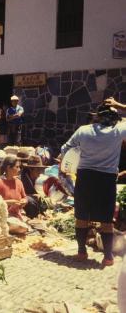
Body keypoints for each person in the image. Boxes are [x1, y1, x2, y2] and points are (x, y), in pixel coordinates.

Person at [61, 103, 126, 266]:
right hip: (107, 180)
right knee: (106, 220)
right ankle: (108, 257)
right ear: (114, 118)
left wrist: (73, 159)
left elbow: (65, 149)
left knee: (81, 216)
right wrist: (119, 105)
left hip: (86, 177)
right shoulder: (119, 131)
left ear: (97, 116)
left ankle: (82, 252)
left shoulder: (83, 130)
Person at [0, 156, 28, 231]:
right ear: (8, 167)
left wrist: (24, 201)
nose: (19, 169)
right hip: (1, 218)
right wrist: (8, 203)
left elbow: (25, 197)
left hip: (16, 216)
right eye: (17, 167)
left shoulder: (19, 182)